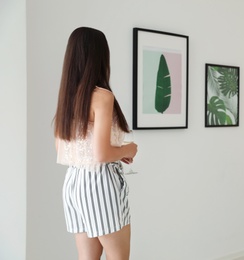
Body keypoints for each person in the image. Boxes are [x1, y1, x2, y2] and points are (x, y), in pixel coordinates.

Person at [54, 27, 138, 260]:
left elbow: (63, 149)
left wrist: (114, 152)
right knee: (118, 257)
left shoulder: (67, 96)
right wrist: (128, 149)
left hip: (74, 183)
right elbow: (101, 155)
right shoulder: (102, 96)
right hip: (100, 182)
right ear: (100, 55)